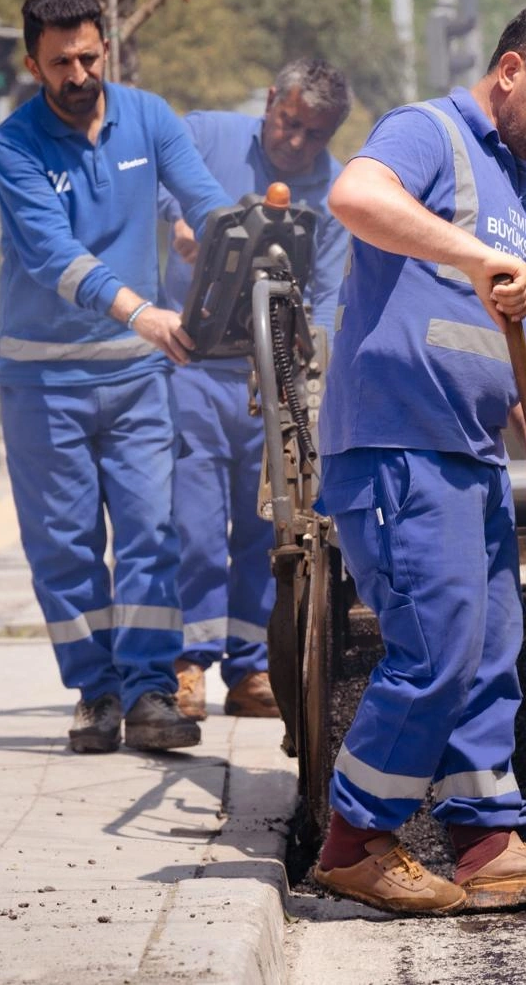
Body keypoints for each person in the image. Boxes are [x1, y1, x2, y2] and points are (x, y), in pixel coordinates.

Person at [312, 0, 526, 916]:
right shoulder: (427, 132)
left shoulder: (520, 193)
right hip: (401, 443)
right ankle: (353, 841)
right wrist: (472, 253)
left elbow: (520, 342)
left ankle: (488, 844)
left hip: (471, 452)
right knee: (435, 647)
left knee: (487, 657)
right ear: (513, 68)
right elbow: (355, 197)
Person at [0, 0, 231, 754]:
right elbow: (56, 258)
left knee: (153, 535)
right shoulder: (13, 146)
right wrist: (142, 312)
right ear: (34, 64)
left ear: (106, 50)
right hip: (43, 384)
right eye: (60, 61)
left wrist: (213, 236)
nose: (77, 72)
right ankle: (95, 693)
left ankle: (153, 691)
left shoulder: (150, 118)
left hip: (135, 382)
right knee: (63, 546)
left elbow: (206, 199)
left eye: (88, 55)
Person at [157, 60, 353, 721]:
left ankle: (250, 670)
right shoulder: (208, 135)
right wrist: (178, 221)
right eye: (288, 121)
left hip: (269, 382)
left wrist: (313, 364)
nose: (295, 142)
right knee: (195, 525)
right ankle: (186, 664)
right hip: (193, 368)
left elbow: (326, 293)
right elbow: (150, 173)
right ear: (271, 100)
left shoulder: (331, 192)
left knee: (264, 530)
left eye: (313, 135)